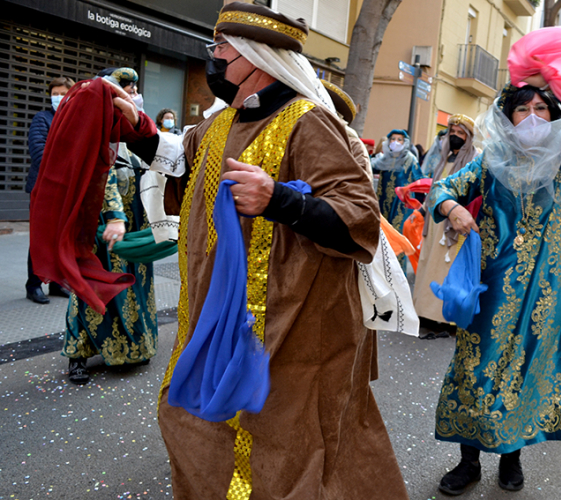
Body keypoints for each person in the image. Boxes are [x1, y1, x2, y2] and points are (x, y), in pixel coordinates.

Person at [124, 4, 408, 498]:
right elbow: (181, 167)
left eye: (221, 50)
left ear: (253, 59)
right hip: (218, 317)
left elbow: (359, 217)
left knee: (290, 445)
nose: (213, 59)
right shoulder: (219, 125)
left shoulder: (308, 122)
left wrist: (279, 199)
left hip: (296, 324)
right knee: (191, 420)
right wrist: (138, 131)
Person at [428, 79, 561, 494]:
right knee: (475, 369)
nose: (533, 117)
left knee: (524, 373)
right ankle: (468, 462)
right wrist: (451, 209)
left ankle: (511, 457)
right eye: (524, 110)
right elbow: (443, 187)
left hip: (545, 293)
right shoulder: (491, 161)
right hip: (491, 287)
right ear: (509, 117)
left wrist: (552, 73)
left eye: (542, 109)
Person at [64, 68, 162, 386]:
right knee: (93, 290)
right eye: (125, 90)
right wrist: (114, 217)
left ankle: (133, 347)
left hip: (135, 228)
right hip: (101, 227)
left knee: (134, 286)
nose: (132, 95)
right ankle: (78, 354)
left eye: (133, 90)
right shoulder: (92, 127)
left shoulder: (140, 128)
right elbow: (99, 176)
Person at [412, 114, 477, 339]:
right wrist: (420, 211)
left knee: (447, 269)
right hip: (435, 221)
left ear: (468, 137)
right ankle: (425, 312)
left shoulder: (474, 160)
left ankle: (445, 318)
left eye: (461, 133)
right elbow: (434, 191)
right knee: (429, 265)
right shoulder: (443, 160)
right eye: (453, 132)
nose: (456, 136)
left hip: (455, 224)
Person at [25, 76, 74, 304]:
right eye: (55, 93)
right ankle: (33, 285)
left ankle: (56, 283)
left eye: (63, 93)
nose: (58, 97)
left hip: (68, 190)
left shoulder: (76, 120)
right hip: (44, 188)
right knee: (40, 238)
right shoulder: (42, 118)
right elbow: (38, 152)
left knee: (61, 238)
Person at [371, 129, 423, 232]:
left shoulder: (410, 159)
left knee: (397, 230)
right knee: (383, 230)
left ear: (405, 142)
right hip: (384, 200)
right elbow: (371, 168)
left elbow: (419, 179)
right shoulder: (384, 158)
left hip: (401, 202)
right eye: (393, 139)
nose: (396, 142)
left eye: (400, 139)